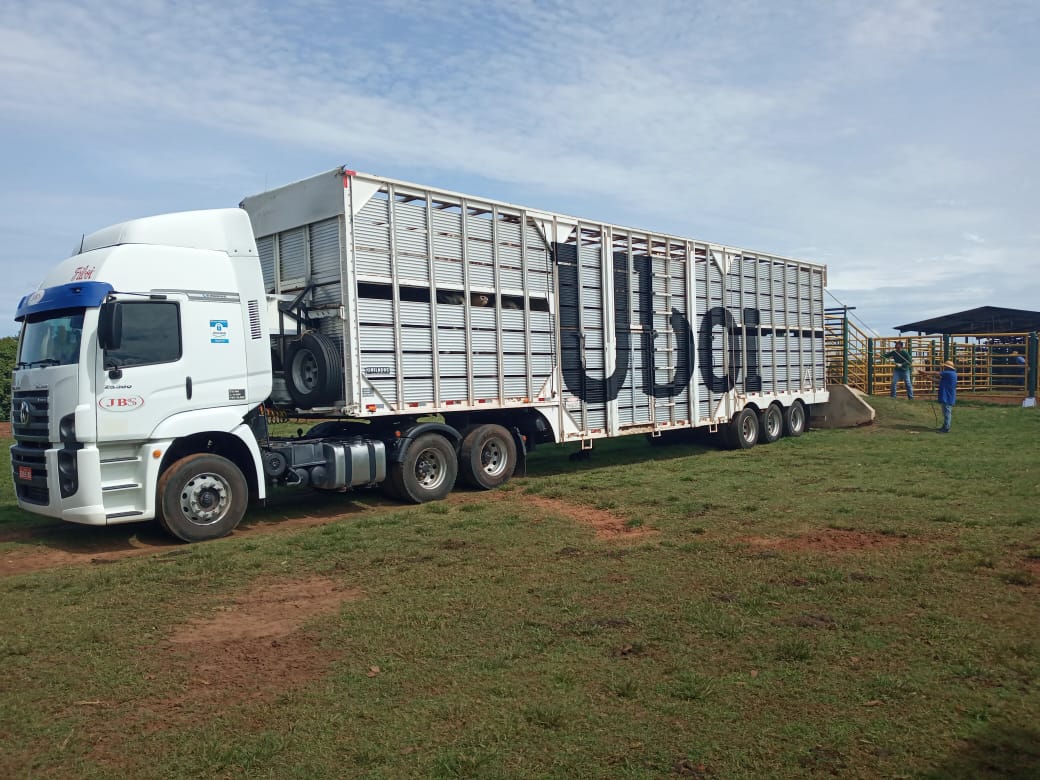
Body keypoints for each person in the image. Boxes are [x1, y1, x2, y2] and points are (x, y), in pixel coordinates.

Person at [930, 360, 957, 433]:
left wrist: (925, 372)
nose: (943, 367)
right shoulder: (951, 374)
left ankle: (946, 428)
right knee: (946, 412)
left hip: (947, 396)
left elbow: (936, 373)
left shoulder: (948, 373)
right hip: (948, 395)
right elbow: (939, 381)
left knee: (947, 412)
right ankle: (945, 426)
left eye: (944, 366)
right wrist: (928, 378)